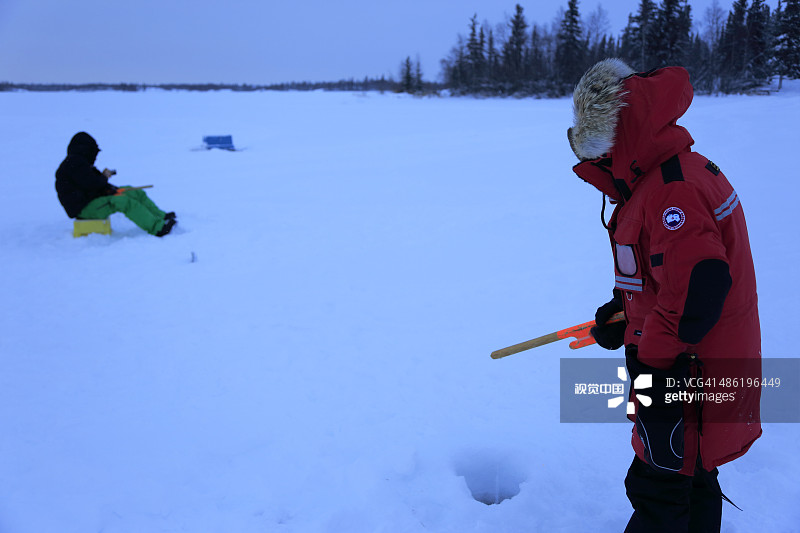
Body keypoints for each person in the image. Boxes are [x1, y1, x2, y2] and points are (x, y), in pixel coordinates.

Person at [567, 59, 761, 532]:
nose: (599, 169)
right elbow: (667, 279)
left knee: (662, 485)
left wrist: (652, 362)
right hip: (690, 364)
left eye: (601, 156)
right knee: (687, 475)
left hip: (685, 372)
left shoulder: (671, 191)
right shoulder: (663, 177)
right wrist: (624, 313)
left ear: (620, 138)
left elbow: (699, 286)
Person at [55, 132, 177, 237]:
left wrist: (111, 189)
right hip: (83, 209)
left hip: (91, 201)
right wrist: (104, 177)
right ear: (86, 150)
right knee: (124, 202)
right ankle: (157, 228)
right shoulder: (74, 163)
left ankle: (160, 216)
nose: (95, 157)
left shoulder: (79, 163)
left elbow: (91, 184)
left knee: (132, 190)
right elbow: (93, 184)